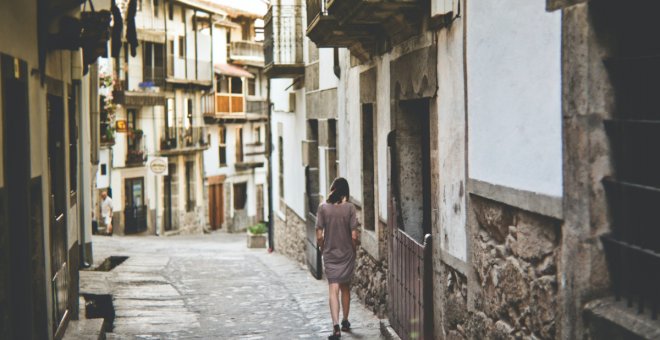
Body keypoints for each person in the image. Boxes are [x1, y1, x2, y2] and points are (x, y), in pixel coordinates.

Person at [316, 177, 360, 340]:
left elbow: (319, 234)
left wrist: (323, 247)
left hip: (330, 254)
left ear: (332, 188)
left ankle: (335, 326)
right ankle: (345, 320)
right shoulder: (350, 208)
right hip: (346, 253)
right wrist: (353, 249)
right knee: (345, 287)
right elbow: (354, 235)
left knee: (332, 289)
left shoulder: (323, 207)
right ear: (346, 192)